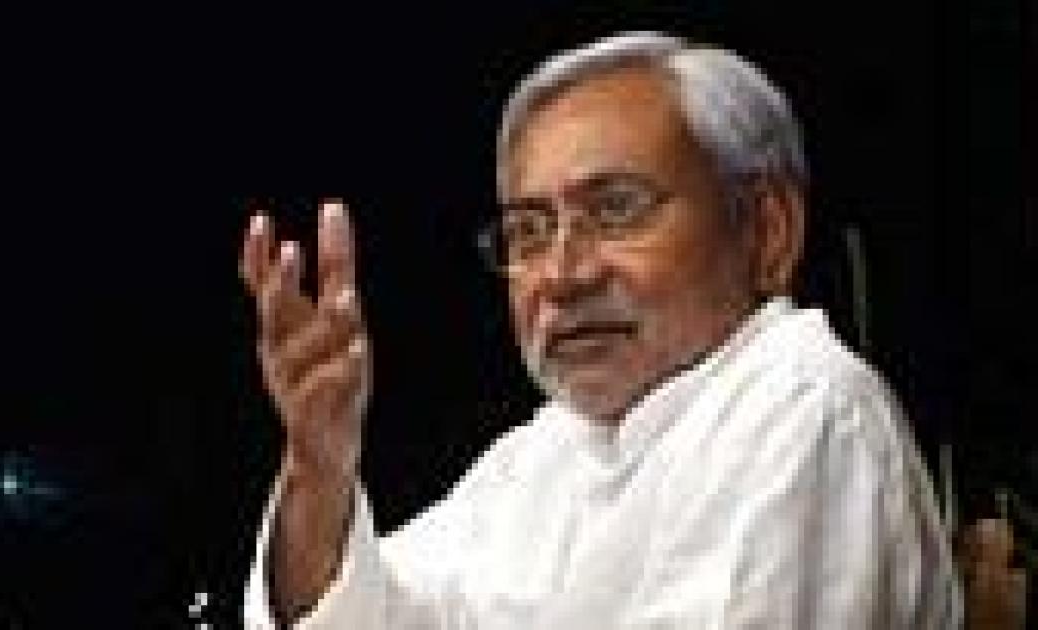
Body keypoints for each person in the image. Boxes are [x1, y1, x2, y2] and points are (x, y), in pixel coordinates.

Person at [240, 31, 962, 628]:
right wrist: (319, 471)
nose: (563, 274)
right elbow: (376, 614)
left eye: (616, 209)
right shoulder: (539, 457)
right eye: (529, 230)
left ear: (768, 232)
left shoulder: (807, 407)